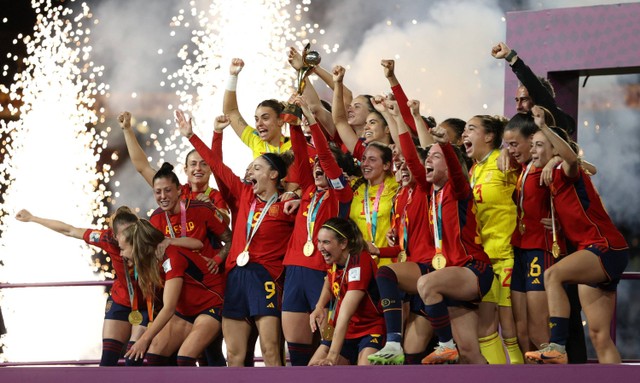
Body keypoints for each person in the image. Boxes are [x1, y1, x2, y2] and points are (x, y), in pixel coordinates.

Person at [177, 110, 296, 367]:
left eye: (257, 167)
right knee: (234, 356)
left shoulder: (288, 206)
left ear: (273, 175)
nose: (249, 171)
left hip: (267, 276)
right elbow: (218, 167)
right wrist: (193, 136)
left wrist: (297, 197)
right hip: (236, 276)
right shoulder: (244, 196)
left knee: (271, 351)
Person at [524, 106, 629, 364]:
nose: (532, 151)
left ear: (555, 150)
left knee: (553, 275)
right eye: (532, 145)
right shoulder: (552, 177)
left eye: (539, 145)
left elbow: (572, 160)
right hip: (596, 252)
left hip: (604, 248)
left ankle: (557, 346)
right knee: (599, 336)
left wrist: (546, 127)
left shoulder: (565, 170)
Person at [15, 206, 144, 366]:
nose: (130, 238)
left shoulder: (150, 240)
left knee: (133, 359)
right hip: (121, 300)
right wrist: (33, 218)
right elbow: (69, 230)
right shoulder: (106, 238)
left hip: (149, 304)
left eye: (133, 233)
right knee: (107, 363)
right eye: (124, 235)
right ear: (115, 235)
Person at [281, 96, 354, 366]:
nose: (317, 166)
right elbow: (302, 155)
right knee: (296, 349)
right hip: (294, 270)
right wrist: (295, 124)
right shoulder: (309, 190)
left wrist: (312, 124)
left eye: (323, 165)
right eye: (315, 166)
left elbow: (323, 156)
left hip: (322, 272)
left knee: (327, 343)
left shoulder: (340, 193)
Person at [415, 128, 494, 364]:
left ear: (450, 166)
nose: (428, 159)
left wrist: (447, 146)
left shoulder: (459, 190)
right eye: (428, 155)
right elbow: (412, 158)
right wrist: (395, 111)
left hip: (474, 269)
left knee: (425, 283)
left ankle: (445, 346)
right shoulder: (431, 194)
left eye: (435, 156)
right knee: (469, 353)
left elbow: (458, 175)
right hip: (450, 279)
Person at [367, 104, 437, 365]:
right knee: (411, 355)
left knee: (385, 274)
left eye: (406, 165)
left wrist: (394, 116)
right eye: (398, 166)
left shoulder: (422, 188)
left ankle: (392, 340)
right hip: (410, 275)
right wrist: (379, 250)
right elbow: (399, 247)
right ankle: (396, 343)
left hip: (428, 270)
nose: (402, 168)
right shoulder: (400, 197)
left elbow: (408, 154)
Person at [461, 115, 523, 364]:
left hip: (507, 254)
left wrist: (509, 152)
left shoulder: (502, 161)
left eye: (471, 129)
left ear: (489, 136)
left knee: (510, 328)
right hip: (484, 259)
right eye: (464, 129)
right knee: (484, 329)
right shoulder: (474, 169)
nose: (465, 134)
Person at [119, 219, 222, 366]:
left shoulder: (172, 258)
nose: (121, 254)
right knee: (155, 355)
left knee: (185, 358)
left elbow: (168, 308)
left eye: (123, 249)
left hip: (211, 306)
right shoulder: (154, 259)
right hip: (186, 311)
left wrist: (143, 340)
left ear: (137, 247)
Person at [502, 111, 561, 354]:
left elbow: (581, 169)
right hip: (520, 249)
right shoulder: (524, 167)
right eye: (508, 145)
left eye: (515, 144)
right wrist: (505, 150)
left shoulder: (550, 168)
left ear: (533, 141)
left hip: (540, 248)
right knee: (522, 333)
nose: (512, 149)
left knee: (539, 332)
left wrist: (555, 159)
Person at [118, 111, 230, 222]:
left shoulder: (215, 196)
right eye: (193, 164)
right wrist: (127, 130)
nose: (198, 168)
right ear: (185, 170)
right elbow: (143, 167)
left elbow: (226, 222)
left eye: (204, 164)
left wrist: (211, 208)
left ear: (211, 169)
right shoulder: (175, 192)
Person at [308, 217, 385, 366]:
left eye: (326, 242)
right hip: (344, 331)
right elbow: (329, 281)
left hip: (370, 329)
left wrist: (332, 356)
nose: (320, 247)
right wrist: (319, 306)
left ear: (343, 243)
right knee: (313, 372)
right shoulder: (333, 259)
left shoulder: (360, 261)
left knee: (365, 371)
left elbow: (345, 313)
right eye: (319, 241)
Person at [491, 42, 576, 135]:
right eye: (517, 100)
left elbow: (535, 87)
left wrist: (510, 56)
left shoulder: (558, 121)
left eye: (524, 100)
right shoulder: (521, 129)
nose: (518, 107)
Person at [223, 58, 291, 158]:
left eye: (265, 118)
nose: (259, 124)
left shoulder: (293, 145)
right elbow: (230, 111)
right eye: (256, 119)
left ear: (280, 121)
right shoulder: (255, 140)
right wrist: (233, 77)